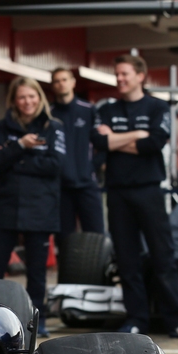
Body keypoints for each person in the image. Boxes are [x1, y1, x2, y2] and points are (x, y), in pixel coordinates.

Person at [93, 54, 178, 338]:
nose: (120, 79)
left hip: (149, 191)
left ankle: (177, 319)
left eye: (125, 74)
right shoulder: (106, 108)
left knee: (163, 256)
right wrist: (135, 135)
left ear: (141, 75)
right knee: (127, 260)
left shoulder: (157, 106)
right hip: (117, 193)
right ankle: (137, 318)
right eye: (117, 74)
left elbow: (153, 143)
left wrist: (117, 139)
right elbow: (100, 142)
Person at [0, 77, 65, 337]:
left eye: (32, 96)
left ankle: (36, 320)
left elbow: (55, 165)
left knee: (37, 270)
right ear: (14, 101)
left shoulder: (54, 127)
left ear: (39, 98)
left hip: (41, 206)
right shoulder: (2, 126)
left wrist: (15, 161)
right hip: (7, 205)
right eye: (22, 97)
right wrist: (21, 146)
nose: (27, 102)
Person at [49, 67, 105, 236]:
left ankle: (99, 264)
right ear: (52, 86)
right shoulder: (48, 114)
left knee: (95, 235)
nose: (61, 84)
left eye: (64, 80)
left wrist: (91, 167)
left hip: (87, 184)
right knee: (64, 238)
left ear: (73, 83)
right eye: (57, 81)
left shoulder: (89, 110)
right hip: (60, 187)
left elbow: (103, 144)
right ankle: (67, 264)